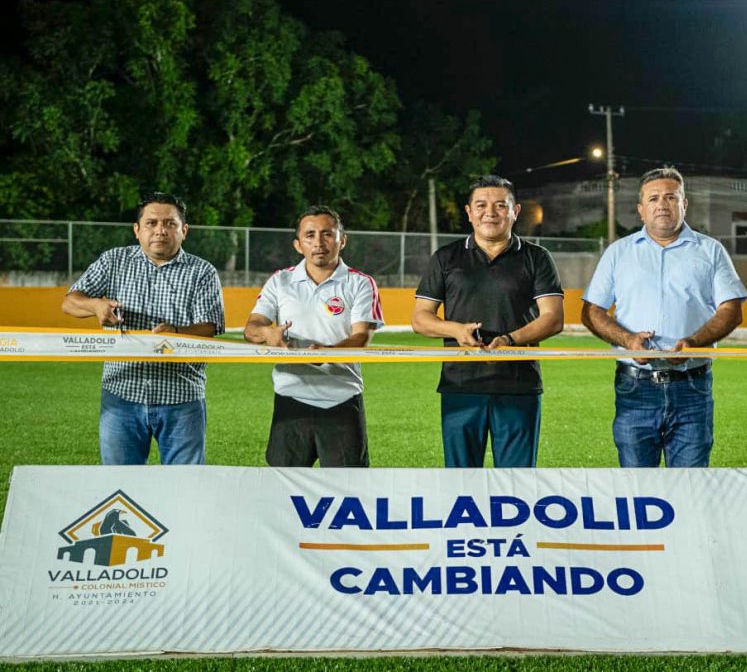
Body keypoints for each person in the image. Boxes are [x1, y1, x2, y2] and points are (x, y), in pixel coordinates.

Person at [581, 167, 747, 468]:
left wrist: (693, 343)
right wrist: (627, 340)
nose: (662, 204)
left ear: (685, 204)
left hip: (692, 387)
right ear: (641, 209)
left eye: (671, 197)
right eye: (653, 198)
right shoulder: (619, 252)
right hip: (635, 387)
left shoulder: (711, 251)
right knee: (637, 489)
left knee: (689, 487)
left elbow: (731, 310)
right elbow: (592, 311)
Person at [61, 192, 225, 465]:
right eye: (151, 223)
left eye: (170, 223)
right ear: (137, 230)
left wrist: (177, 333)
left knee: (185, 487)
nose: (160, 230)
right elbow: (70, 302)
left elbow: (210, 326)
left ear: (184, 230)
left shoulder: (202, 271)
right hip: (121, 393)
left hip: (181, 394)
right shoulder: (114, 261)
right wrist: (96, 306)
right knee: (121, 487)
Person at [412, 175, 564, 468]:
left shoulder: (537, 257)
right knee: (461, 483)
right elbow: (420, 319)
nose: (490, 212)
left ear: (515, 211)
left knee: (517, 484)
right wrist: (455, 329)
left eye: (500, 205)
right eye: (481, 205)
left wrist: (509, 340)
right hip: (461, 385)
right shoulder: (445, 258)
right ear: (468, 212)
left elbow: (553, 318)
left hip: (519, 386)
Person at [244, 205, 383, 468]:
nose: (318, 242)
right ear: (298, 244)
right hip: (290, 398)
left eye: (327, 234)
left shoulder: (361, 283)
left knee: (348, 493)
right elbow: (251, 328)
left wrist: (327, 351)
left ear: (342, 240)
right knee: (285, 493)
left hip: (342, 399)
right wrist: (267, 333)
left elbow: (361, 337)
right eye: (310, 235)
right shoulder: (280, 281)